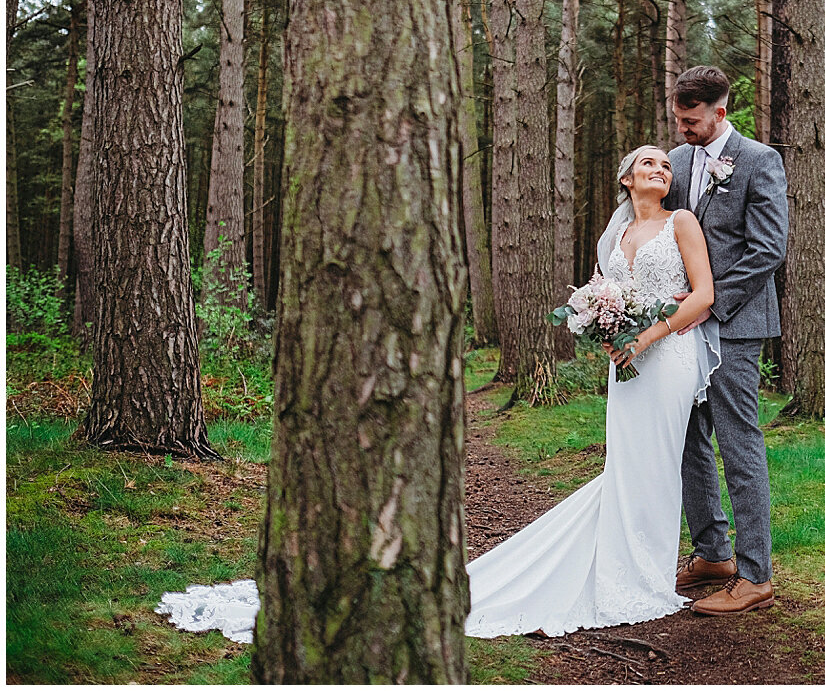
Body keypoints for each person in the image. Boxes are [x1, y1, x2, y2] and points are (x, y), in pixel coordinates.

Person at [157, 145, 721, 641]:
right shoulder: (614, 235)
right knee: (626, 464)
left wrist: (647, 333)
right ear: (626, 178)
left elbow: (702, 296)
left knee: (656, 461)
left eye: (667, 164)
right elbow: (607, 294)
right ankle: (626, 567)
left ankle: (644, 575)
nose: (661, 169)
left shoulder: (682, 223)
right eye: (649, 162)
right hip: (624, 361)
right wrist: (604, 327)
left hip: (668, 355)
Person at [663, 65, 788, 616]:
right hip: (681, 325)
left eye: (692, 121)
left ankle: (755, 574)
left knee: (737, 443)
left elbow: (767, 249)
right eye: (678, 120)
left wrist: (708, 303)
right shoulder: (679, 159)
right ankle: (712, 553)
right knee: (688, 439)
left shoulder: (760, 161)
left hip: (735, 325)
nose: (684, 130)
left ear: (720, 111)